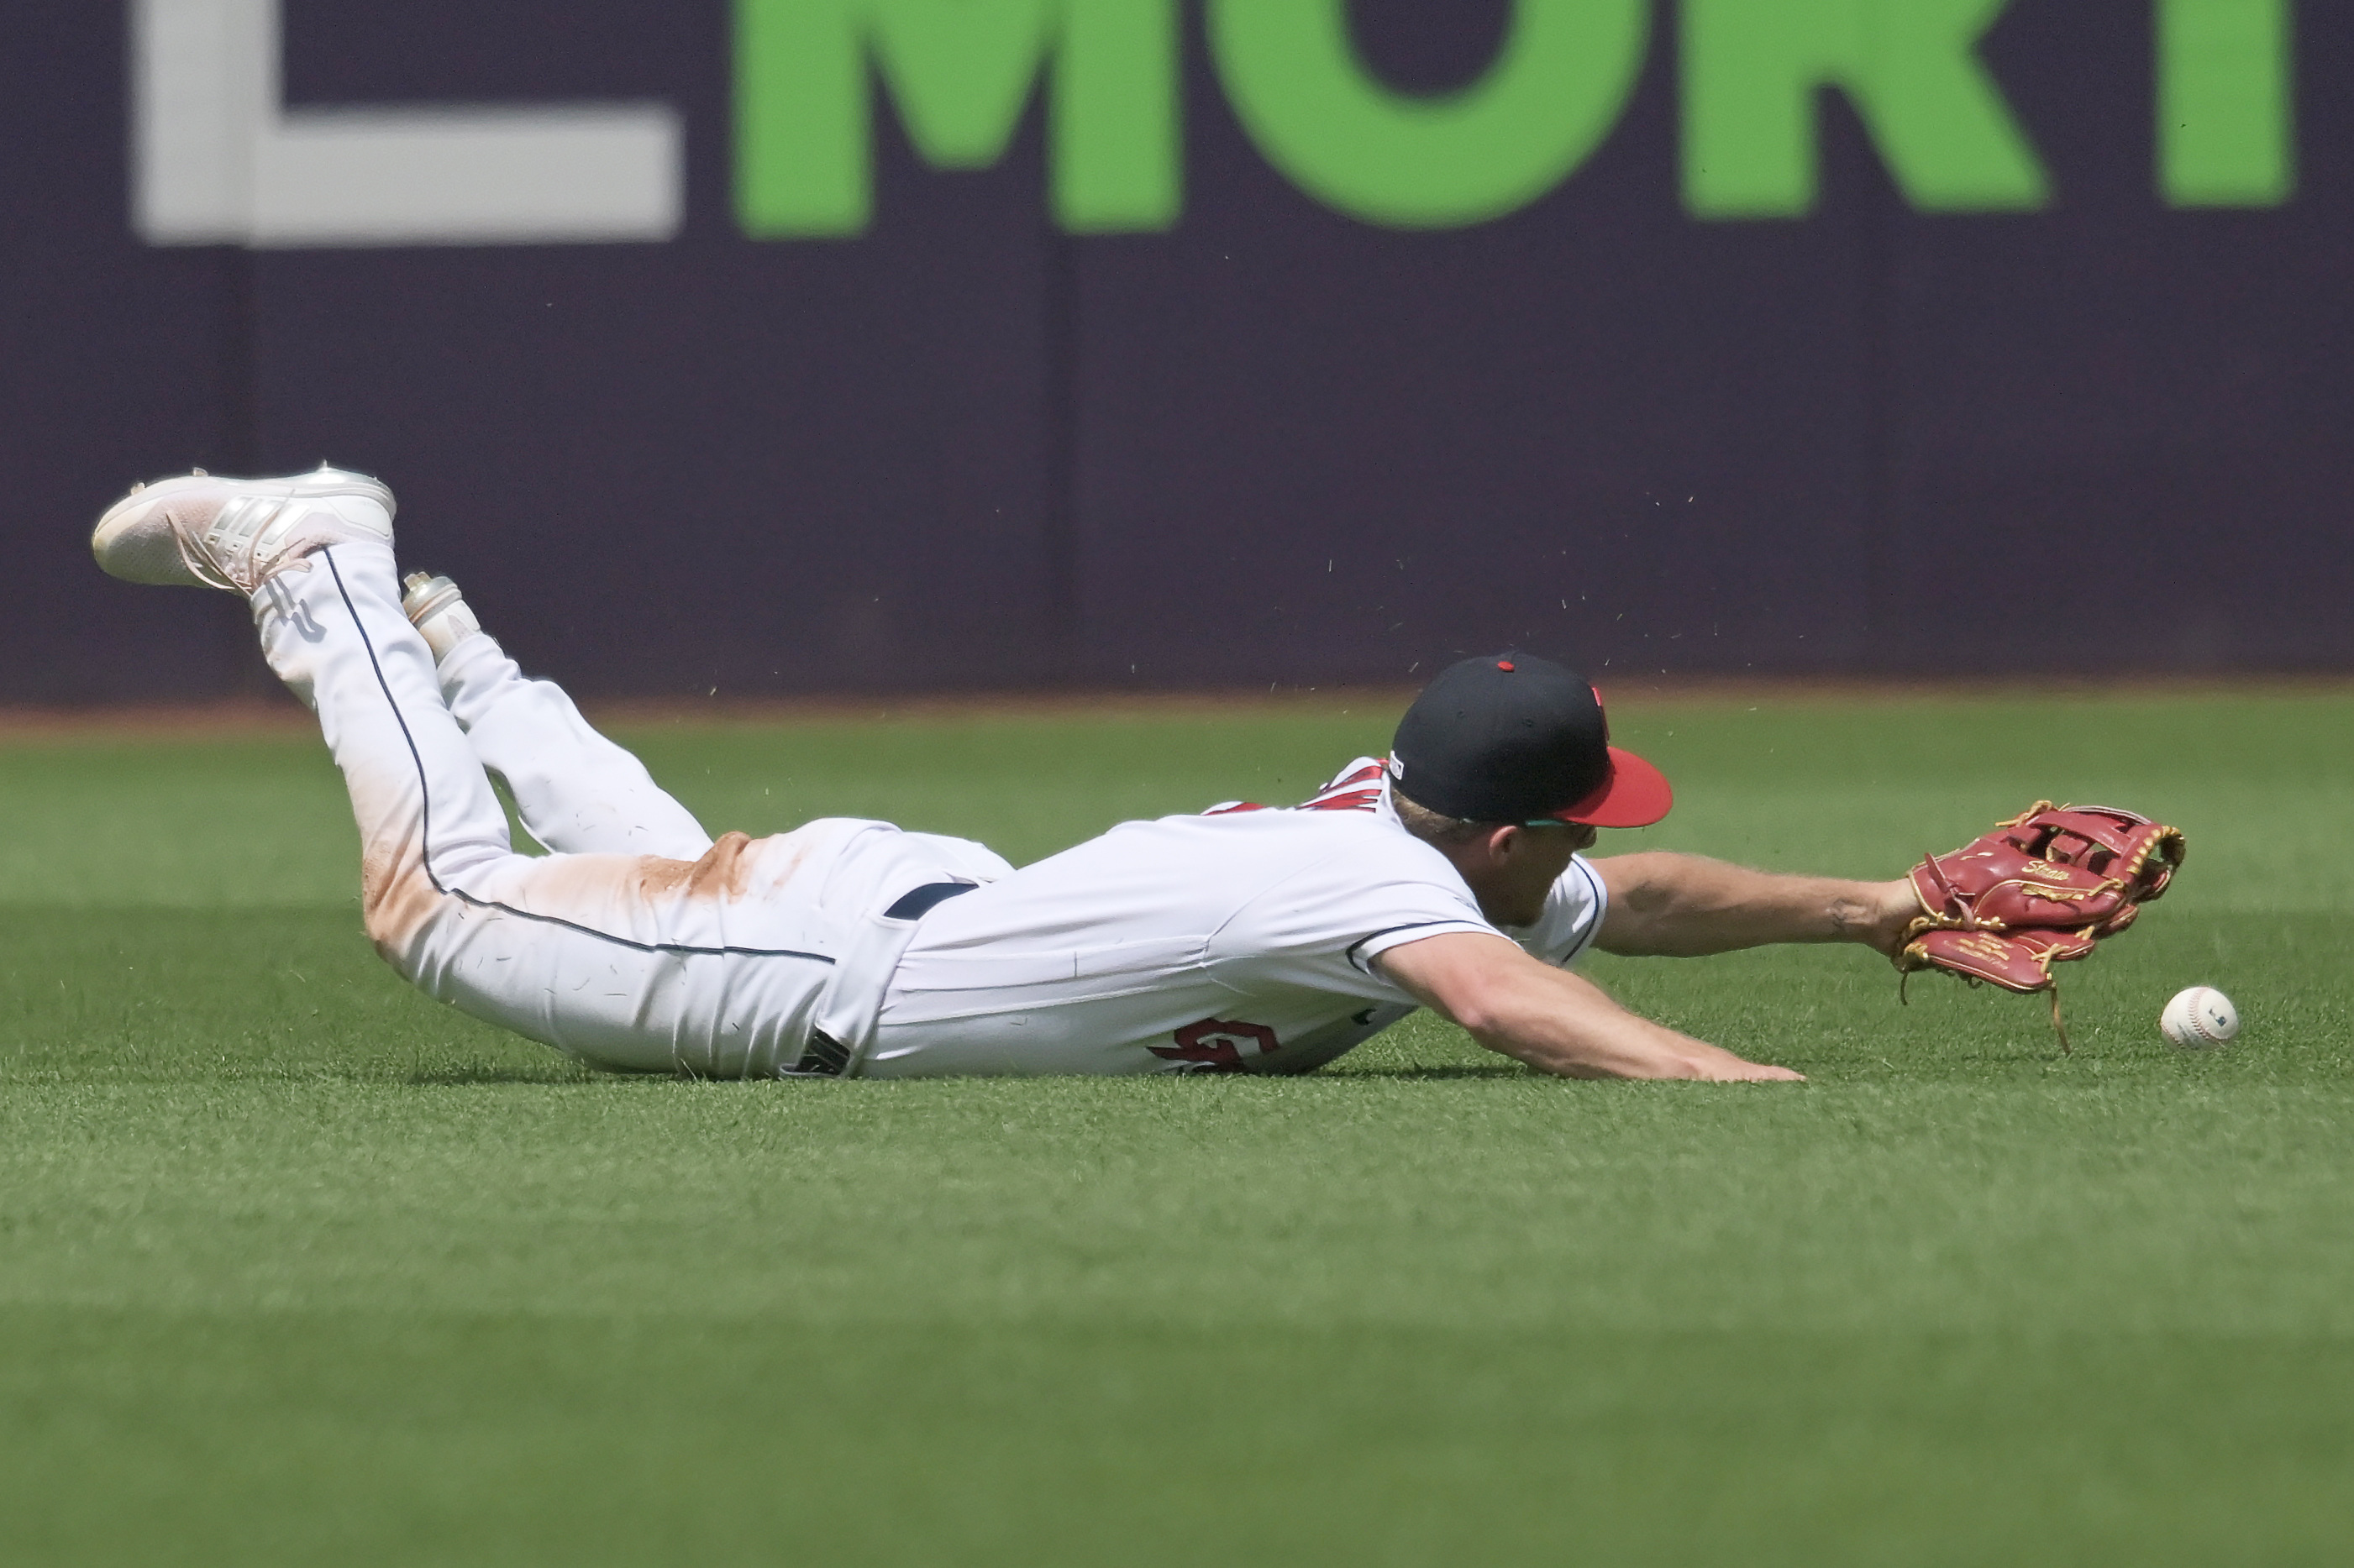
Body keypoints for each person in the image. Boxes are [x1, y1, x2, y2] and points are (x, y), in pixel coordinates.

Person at [91, 465, 1925, 1083]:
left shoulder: (1391, 818)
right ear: (1508, 835)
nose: (1601, 852)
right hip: (844, 970)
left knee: (644, 863)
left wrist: (1880, 910)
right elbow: (1517, 1003)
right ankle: (330, 573)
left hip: (897, 894)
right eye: (1583, 822)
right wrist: (1740, 1081)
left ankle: (452, 643)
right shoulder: (1392, 894)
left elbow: (1625, 903)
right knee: (437, 903)